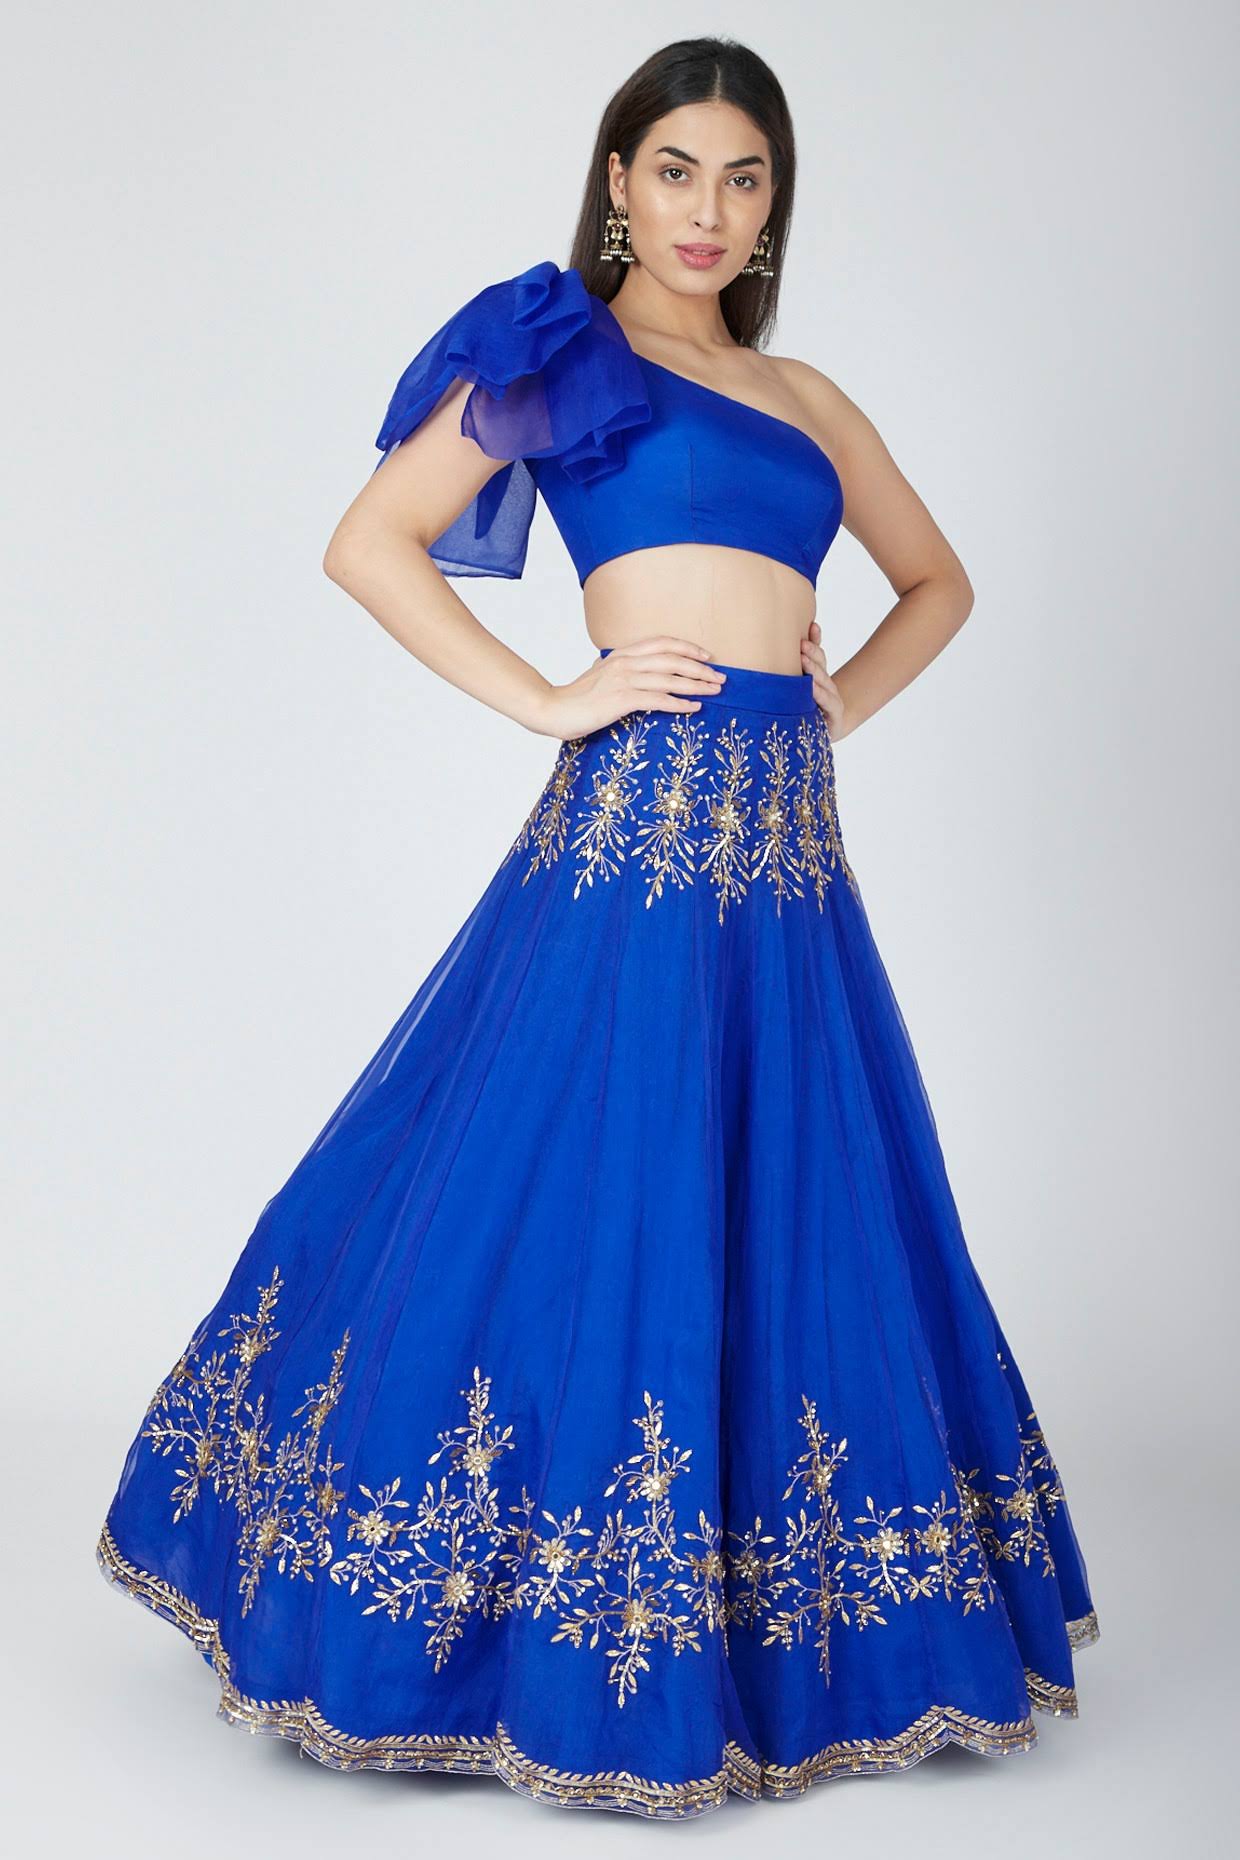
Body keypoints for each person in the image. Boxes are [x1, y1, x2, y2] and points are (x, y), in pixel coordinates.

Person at [95, 35, 1098, 1821]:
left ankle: (768, 1630)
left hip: (785, 858)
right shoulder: (561, 350)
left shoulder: (805, 397)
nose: (710, 210)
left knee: (789, 1200)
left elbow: (938, 582)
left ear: (774, 204)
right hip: (635, 837)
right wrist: (554, 700)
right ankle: (490, 1622)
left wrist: (838, 697)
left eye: (745, 177)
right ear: (619, 181)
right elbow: (371, 540)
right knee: (569, 1189)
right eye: (676, 169)